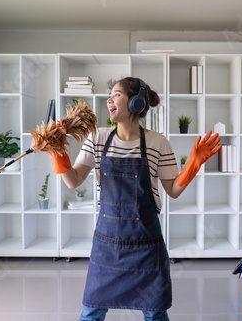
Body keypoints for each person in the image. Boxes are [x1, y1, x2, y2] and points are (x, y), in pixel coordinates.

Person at [49, 77, 221, 321]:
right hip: (107, 245)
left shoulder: (158, 142)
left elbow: (172, 190)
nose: (110, 99)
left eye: (116, 94)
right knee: (91, 310)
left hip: (146, 246)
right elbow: (73, 180)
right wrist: (57, 151)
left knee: (155, 312)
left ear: (136, 102)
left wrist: (193, 163)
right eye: (110, 95)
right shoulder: (97, 137)